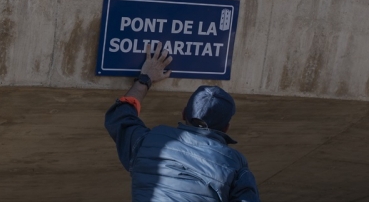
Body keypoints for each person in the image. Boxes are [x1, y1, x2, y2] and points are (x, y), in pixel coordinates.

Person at [105, 44, 260, 201]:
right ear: (226, 128)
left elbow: (120, 117)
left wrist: (145, 79)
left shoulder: (148, 142)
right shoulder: (235, 166)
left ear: (184, 113)